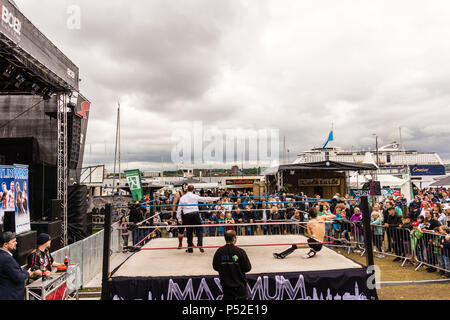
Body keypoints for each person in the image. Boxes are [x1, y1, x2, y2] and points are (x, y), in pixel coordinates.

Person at [176, 185, 220, 253]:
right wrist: (216, 198)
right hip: (195, 214)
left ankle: (190, 249)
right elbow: (205, 199)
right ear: (193, 190)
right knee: (199, 230)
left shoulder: (182, 198)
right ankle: (200, 244)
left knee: (189, 232)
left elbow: (179, 209)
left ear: (187, 189)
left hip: (187, 215)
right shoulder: (195, 196)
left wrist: (179, 219)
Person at [212, 230, 252, 300]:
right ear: (234, 238)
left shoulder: (219, 251)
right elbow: (248, 268)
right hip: (240, 287)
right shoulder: (240, 252)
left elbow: (215, 267)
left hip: (226, 287)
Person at [0, 232, 32, 300]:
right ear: (5, 244)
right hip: (11, 295)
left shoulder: (3, 256)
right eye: (13, 241)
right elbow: (18, 277)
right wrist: (28, 273)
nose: (16, 243)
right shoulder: (6, 259)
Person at [172, 183, 188, 249]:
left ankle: (190, 243)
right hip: (180, 214)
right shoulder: (178, 194)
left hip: (188, 213)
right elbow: (174, 204)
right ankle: (180, 243)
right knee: (181, 230)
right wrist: (174, 214)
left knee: (190, 229)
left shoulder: (189, 194)